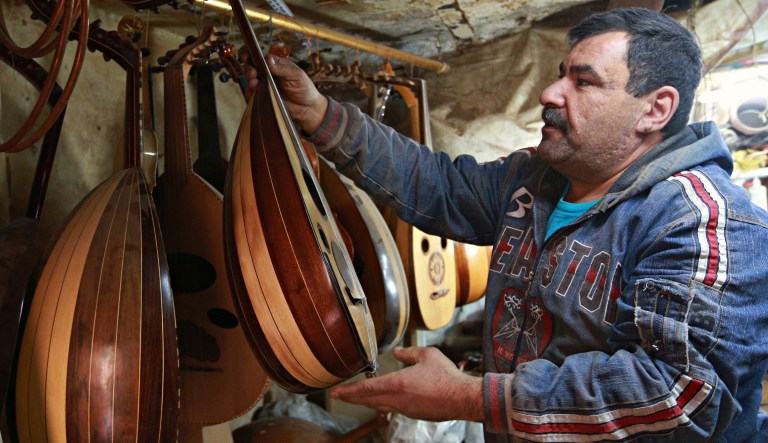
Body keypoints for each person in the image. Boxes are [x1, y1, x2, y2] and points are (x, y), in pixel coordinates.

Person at [266, 7, 768, 442]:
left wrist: (469, 398)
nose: (550, 92)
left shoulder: (703, 222)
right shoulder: (536, 177)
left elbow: (680, 396)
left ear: (655, 109)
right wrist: (320, 114)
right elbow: (439, 187)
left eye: (584, 81)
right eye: (559, 73)